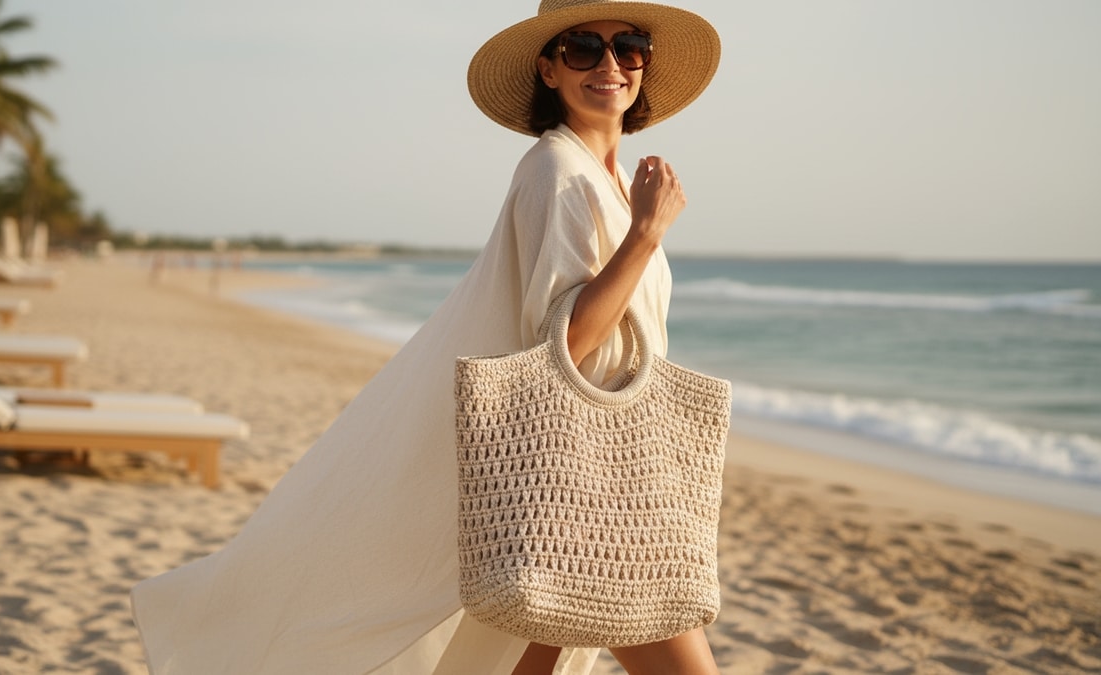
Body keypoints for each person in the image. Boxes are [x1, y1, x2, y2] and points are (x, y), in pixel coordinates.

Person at [131, 0, 721, 673]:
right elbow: (569, 342)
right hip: (589, 476)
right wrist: (646, 236)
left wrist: (640, 226)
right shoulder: (557, 170)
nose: (608, 64)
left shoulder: (607, 178)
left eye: (629, 46)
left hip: (603, 462)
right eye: (583, 47)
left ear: (646, 63)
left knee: (531, 656)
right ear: (548, 68)